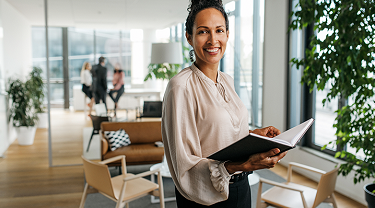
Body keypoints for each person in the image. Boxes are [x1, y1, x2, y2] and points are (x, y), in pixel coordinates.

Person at [161, 0, 287, 207]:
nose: (213, 40)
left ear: (227, 34)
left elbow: (222, 135)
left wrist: (254, 136)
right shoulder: (180, 87)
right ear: (189, 37)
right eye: (203, 32)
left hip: (240, 186)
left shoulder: (227, 80)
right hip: (205, 197)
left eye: (219, 30)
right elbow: (183, 164)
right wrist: (242, 164)